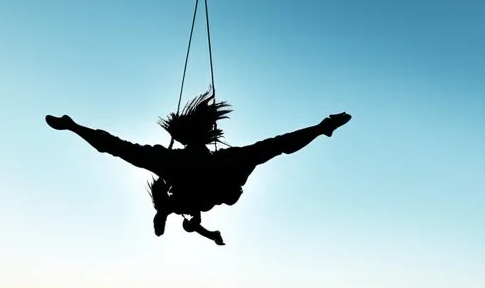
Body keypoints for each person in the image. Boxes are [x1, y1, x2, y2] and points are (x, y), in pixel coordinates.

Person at [46, 92, 351, 245]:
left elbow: (115, 147)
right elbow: (279, 145)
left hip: (203, 183)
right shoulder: (216, 165)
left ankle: (165, 211)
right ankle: (323, 128)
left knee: (270, 149)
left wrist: (74, 127)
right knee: (270, 149)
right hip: (208, 182)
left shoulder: (181, 164)